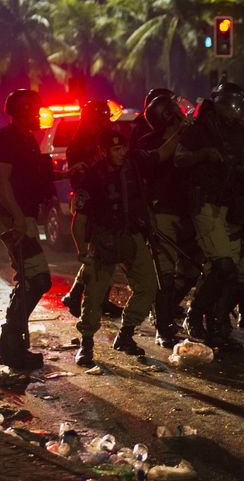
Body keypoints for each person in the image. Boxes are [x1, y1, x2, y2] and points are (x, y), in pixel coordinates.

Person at [175, 82, 244, 348]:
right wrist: (204, 154)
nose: (236, 111)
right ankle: (198, 317)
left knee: (232, 271)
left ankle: (215, 323)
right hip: (205, 204)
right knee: (223, 266)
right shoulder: (199, 129)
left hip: (229, 206)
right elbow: (179, 158)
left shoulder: (239, 131)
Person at [71, 130, 160, 366]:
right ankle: (86, 343)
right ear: (103, 151)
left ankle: (126, 334)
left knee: (149, 286)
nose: (122, 153)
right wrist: (82, 249)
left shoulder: (133, 167)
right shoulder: (92, 177)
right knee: (95, 296)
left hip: (132, 235)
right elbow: (79, 220)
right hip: (105, 239)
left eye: (123, 148)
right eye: (116, 149)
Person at [0, 90, 54, 370]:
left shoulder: (26, 139)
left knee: (32, 278)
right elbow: (0, 181)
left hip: (21, 216)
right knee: (36, 278)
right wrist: (16, 216)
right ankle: (10, 343)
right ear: (24, 110)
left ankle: (9, 342)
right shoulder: (7, 140)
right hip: (12, 218)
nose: (39, 115)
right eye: (35, 110)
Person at [135, 94, 198, 348]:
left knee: (192, 269)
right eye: (175, 110)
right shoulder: (148, 142)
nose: (182, 113)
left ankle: (168, 309)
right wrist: (180, 133)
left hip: (188, 211)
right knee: (166, 273)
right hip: (163, 212)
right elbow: (160, 156)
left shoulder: (189, 136)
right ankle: (163, 327)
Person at [61, 100, 117, 318]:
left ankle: (88, 297)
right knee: (97, 252)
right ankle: (77, 295)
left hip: (104, 201)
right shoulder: (79, 145)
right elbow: (84, 176)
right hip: (89, 202)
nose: (105, 122)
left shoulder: (100, 140)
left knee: (104, 253)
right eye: (101, 118)